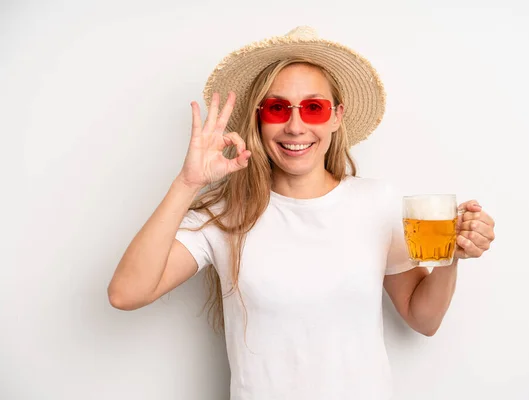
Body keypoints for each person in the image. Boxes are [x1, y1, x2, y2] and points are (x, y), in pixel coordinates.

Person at [107, 26, 496, 400]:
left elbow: (423, 319)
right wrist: (188, 182)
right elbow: (126, 293)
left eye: (313, 107)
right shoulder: (225, 214)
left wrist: (451, 257)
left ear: (336, 116)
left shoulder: (377, 203)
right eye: (278, 108)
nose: (295, 127)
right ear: (260, 118)